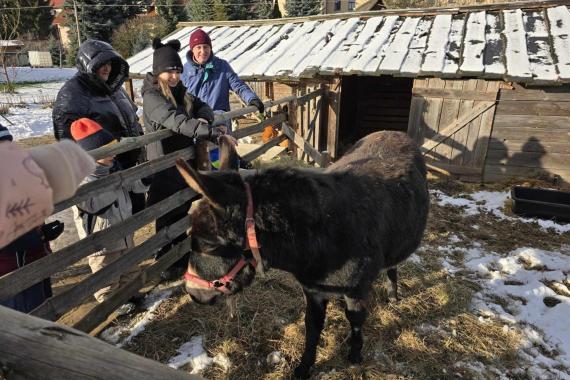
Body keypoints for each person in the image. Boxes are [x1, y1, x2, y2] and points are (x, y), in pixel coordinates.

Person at [142, 38, 223, 281]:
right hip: (163, 165)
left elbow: (203, 106)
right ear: (158, 72)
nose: (175, 76)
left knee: (180, 211)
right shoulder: (152, 96)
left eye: (177, 71)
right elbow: (175, 121)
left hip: (181, 163)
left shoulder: (181, 92)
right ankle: (165, 262)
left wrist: (206, 119)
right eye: (170, 71)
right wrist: (205, 130)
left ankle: (179, 258)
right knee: (166, 214)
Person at [0, 123, 95, 312]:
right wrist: (39, 236)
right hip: (12, 272)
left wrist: (42, 233)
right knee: (25, 321)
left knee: (43, 309)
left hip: (33, 260)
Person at [52, 39, 146, 213]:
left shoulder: (115, 88)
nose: (107, 67)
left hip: (130, 170)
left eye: (110, 63)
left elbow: (132, 118)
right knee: (109, 231)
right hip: (103, 174)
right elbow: (66, 139)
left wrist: (140, 149)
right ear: (87, 64)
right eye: (101, 63)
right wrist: (98, 167)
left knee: (132, 222)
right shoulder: (73, 93)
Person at [70, 118, 148, 312]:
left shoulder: (113, 168)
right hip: (102, 239)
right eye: (108, 150)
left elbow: (131, 185)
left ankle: (131, 291)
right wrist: (115, 182)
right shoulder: (80, 179)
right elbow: (93, 204)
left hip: (124, 228)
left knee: (130, 265)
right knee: (106, 273)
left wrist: (144, 179)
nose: (114, 153)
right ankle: (110, 302)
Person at [181, 28, 265, 130]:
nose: (203, 51)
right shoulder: (184, 72)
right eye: (198, 47)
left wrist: (252, 98)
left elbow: (238, 85)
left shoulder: (222, 66)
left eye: (206, 47)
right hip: (196, 125)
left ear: (210, 48)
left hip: (219, 123)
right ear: (192, 50)